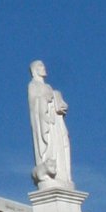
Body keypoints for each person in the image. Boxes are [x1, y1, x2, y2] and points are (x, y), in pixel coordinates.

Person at [28, 59, 74, 190]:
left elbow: (55, 102)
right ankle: (49, 172)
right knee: (50, 150)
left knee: (59, 146)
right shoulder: (33, 86)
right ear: (34, 70)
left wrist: (58, 102)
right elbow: (34, 106)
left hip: (55, 123)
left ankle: (62, 175)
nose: (44, 68)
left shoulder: (48, 87)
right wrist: (44, 99)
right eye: (40, 66)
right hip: (46, 122)